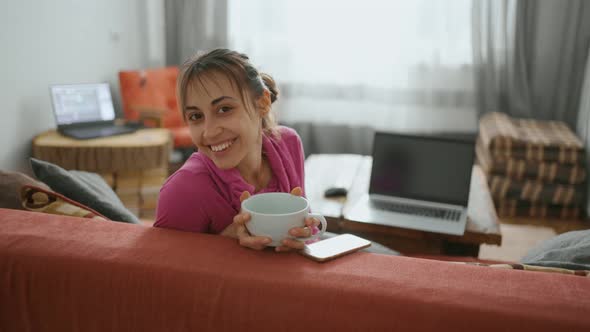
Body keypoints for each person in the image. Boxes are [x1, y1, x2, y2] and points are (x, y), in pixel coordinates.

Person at [154, 48, 319, 252]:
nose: (210, 132)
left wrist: (303, 233)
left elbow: (307, 231)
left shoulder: (289, 143)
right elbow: (163, 274)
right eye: (196, 116)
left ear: (262, 103)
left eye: (224, 109)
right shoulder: (182, 190)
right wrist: (228, 243)